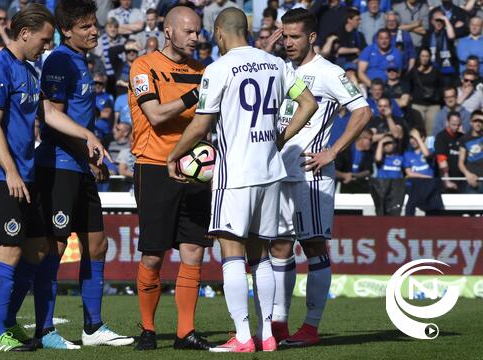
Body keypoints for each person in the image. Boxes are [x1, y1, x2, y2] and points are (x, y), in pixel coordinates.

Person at [168, 8, 317, 352]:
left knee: (231, 252)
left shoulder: (217, 69)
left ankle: (243, 336)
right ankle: (266, 335)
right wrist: (279, 139)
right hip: (269, 172)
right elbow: (307, 102)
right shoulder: (275, 64)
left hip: (234, 174)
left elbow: (201, 125)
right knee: (260, 253)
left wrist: (173, 154)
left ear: (220, 32)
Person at [0, 3, 103, 352]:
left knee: (36, 249)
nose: (47, 46)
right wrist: (11, 171)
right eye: (44, 40)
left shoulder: (29, 70)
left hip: (26, 176)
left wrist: (86, 135)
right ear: (25, 33)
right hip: (0, 177)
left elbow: (47, 112)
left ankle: (9, 323)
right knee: (8, 252)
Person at [33, 0, 132, 349]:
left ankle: (93, 328)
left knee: (97, 245)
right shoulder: (60, 60)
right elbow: (52, 118)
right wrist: (88, 145)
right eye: (86, 26)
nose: (94, 31)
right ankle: (44, 331)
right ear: (67, 30)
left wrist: (91, 156)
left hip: (79, 166)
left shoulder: (80, 59)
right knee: (55, 248)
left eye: (94, 24)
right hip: (59, 167)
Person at [270, 8, 372, 347]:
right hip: (279, 171)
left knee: (313, 246)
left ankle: (311, 327)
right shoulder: (280, 68)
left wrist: (333, 151)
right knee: (280, 247)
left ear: (312, 37)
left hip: (311, 174)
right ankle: (279, 327)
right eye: (285, 36)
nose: (288, 43)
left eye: (295, 36)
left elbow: (363, 110)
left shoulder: (329, 72)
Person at [129, 5, 211, 351]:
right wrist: (196, 94)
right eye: (189, 31)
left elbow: (206, 122)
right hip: (154, 166)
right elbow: (157, 115)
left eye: (198, 31)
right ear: (168, 31)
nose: (196, 37)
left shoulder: (203, 69)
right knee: (153, 255)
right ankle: (148, 329)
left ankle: (185, 333)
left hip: (195, 172)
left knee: (193, 251)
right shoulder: (143, 66)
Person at [403, 128, 444, 215]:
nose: (413, 141)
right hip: (415, 186)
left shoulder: (430, 151)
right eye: (411, 138)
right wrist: (425, 176)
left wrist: (417, 137)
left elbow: (427, 155)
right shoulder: (407, 154)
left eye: (415, 138)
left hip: (429, 187)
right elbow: (409, 173)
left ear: (423, 138)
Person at [408, 47, 443, 133]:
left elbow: (441, 86)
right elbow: (408, 84)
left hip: (433, 105)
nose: (424, 58)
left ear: (430, 57)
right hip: (417, 104)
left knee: (431, 131)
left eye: (427, 56)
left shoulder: (436, 71)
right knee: (418, 130)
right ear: (419, 57)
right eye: (422, 56)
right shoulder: (414, 71)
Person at [370, 134, 405, 215]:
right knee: (381, 211)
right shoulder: (381, 158)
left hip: (396, 190)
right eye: (385, 144)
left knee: (394, 212)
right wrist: (381, 142)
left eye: (389, 143)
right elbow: (378, 159)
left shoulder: (400, 158)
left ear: (394, 144)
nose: (387, 146)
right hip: (382, 189)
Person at [458, 110, 483, 193]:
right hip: (472, 181)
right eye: (475, 121)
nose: (478, 124)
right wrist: (468, 174)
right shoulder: (464, 139)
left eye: (481, 121)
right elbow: (460, 162)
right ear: (470, 122)